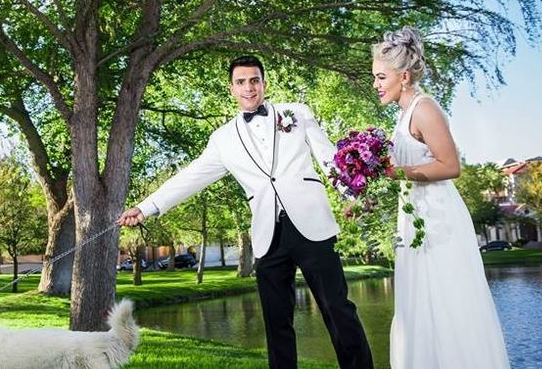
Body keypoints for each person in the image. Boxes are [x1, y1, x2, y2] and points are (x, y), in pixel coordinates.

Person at [118, 55, 373, 369]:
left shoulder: (298, 113)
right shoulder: (223, 139)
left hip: (313, 226)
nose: (249, 87)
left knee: (337, 309)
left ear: (264, 83)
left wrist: (355, 193)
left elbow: (329, 158)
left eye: (254, 80)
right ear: (232, 89)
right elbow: (190, 176)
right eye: (241, 82)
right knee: (276, 323)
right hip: (268, 235)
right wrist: (146, 207)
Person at [371, 27, 510, 369]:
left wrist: (397, 171)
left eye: (380, 77)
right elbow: (409, 165)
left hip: (438, 220)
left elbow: (451, 165)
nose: (376, 84)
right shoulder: (404, 114)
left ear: (403, 76)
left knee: (447, 298)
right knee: (418, 301)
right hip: (415, 216)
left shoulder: (425, 108)